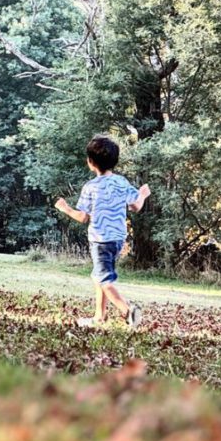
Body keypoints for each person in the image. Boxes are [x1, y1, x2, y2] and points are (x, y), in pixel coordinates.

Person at [55, 135, 150, 328]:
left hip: (100, 240)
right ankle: (99, 317)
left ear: (90, 162)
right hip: (118, 239)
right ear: (114, 161)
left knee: (103, 278)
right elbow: (136, 206)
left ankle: (128, 312)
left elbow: (83, 217)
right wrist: (142, 194)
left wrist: (65, 208)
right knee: (100, 274)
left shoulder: (91, 187)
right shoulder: (121, 182)